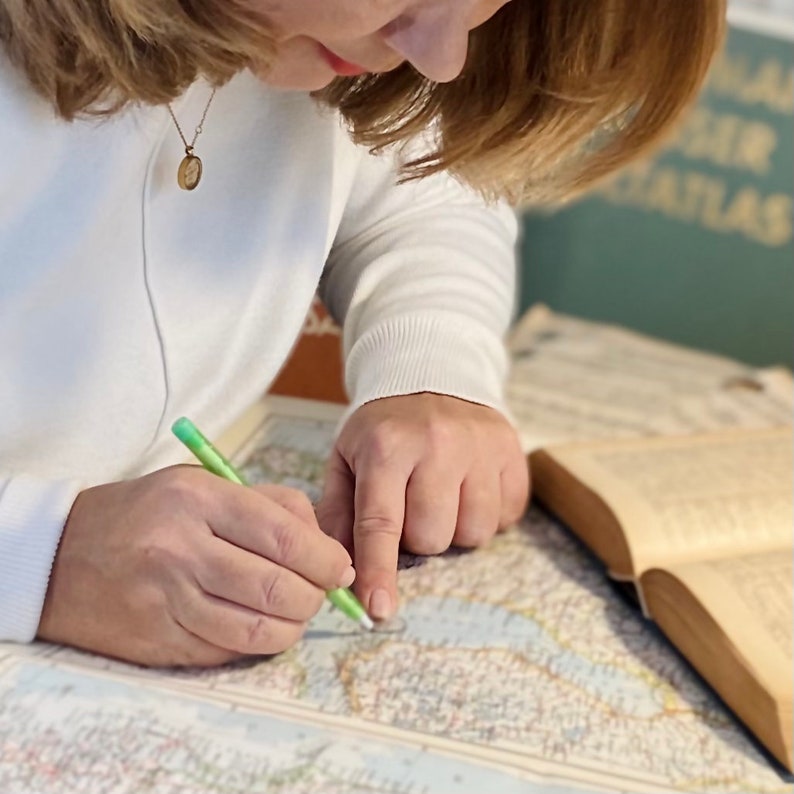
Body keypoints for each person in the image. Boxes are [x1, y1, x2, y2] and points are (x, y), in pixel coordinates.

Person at [0, 0, 725, 667]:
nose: (442, 56)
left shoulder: (339, 38)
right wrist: (41, 554)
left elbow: (425, 184)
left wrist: (431, 365)